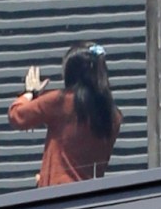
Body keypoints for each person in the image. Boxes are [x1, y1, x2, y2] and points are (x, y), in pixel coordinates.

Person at [8, 43, 122, 185]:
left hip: (57, 196)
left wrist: (30, 93)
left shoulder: (61, 101)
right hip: (91, 196)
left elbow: (17, 115)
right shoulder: (113, 116)